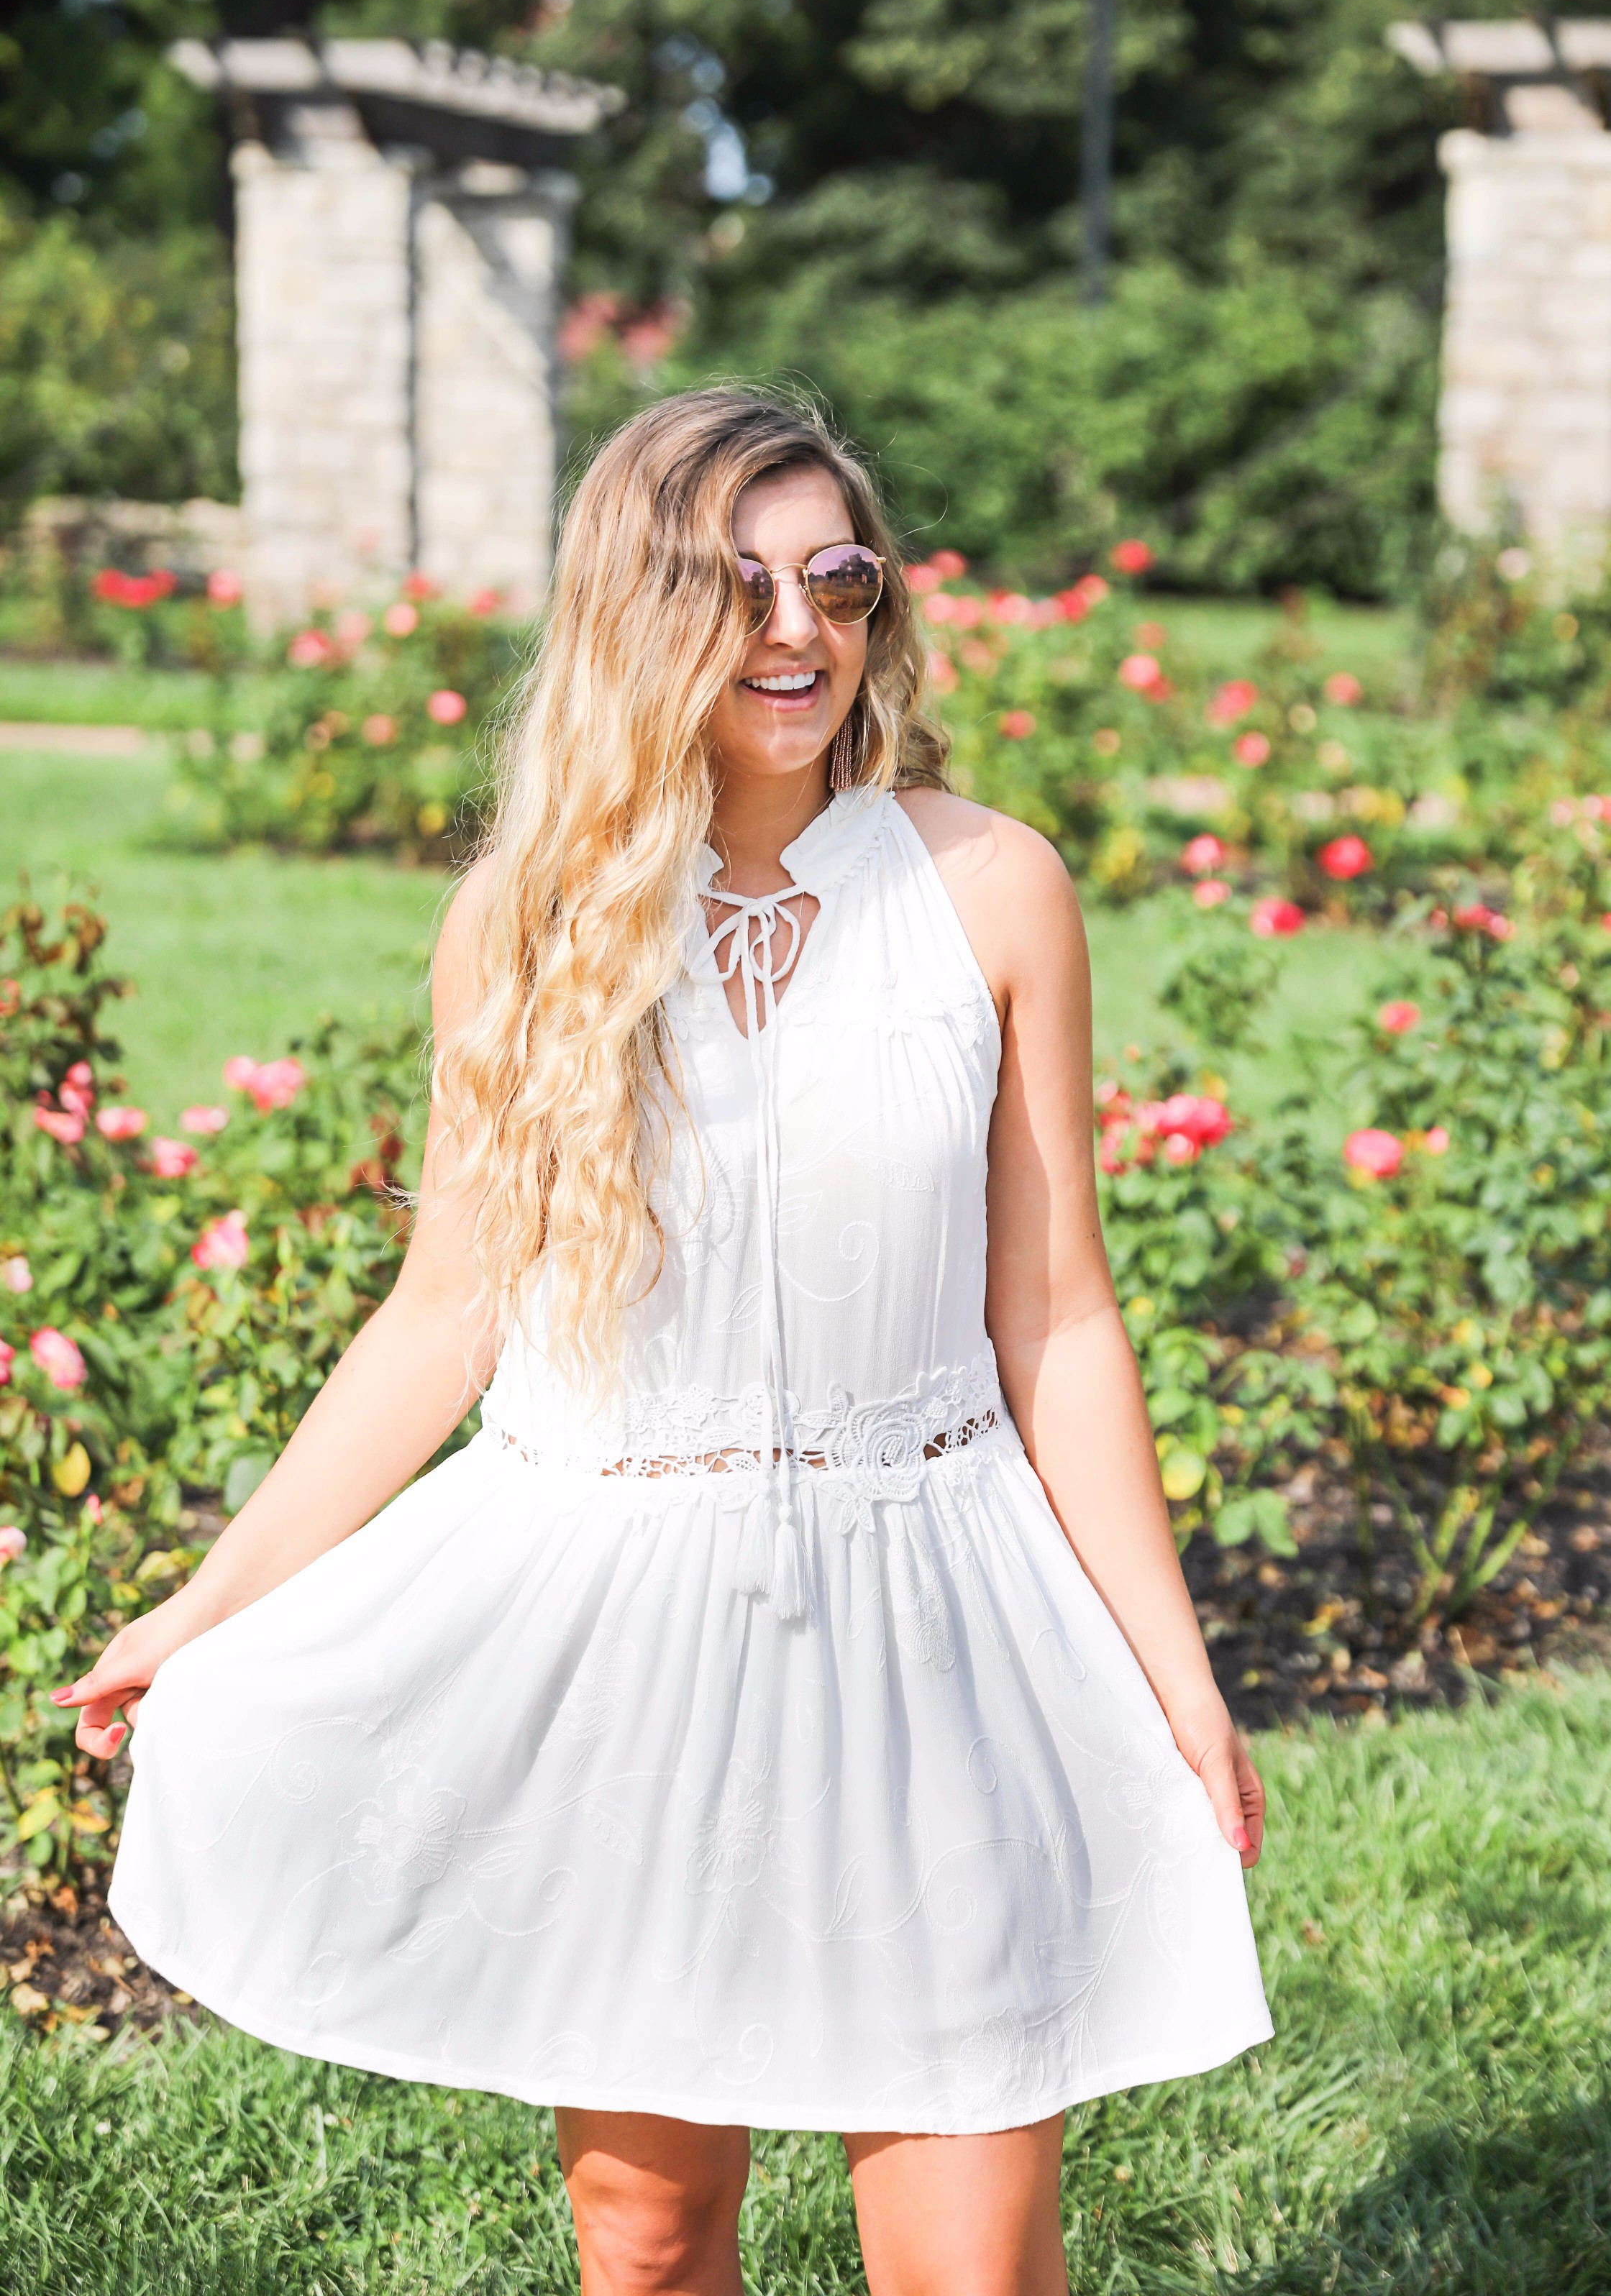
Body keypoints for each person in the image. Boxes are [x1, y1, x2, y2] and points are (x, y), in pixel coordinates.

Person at [58, 388, 1270, 2295]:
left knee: (970, 2260)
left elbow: (1057, 1317)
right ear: (637, 614)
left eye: (837, 579)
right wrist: (202, 1607)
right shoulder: (523, 928)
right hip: (630, 1619)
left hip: (933, 1609)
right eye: (739, 587)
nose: (798, 631)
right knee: (641, 2235)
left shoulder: (991, 888)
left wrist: (1177, 1678)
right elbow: (447, 1312)